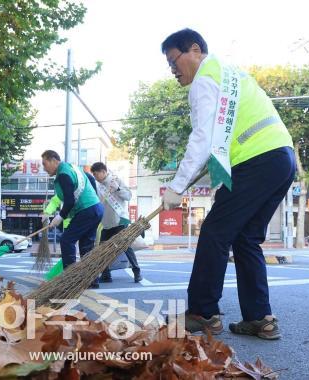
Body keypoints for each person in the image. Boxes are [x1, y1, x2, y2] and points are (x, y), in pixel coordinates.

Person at [160, 29, 296, 340]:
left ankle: (203, 313)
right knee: (246, 238)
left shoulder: (205, 79)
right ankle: (260, 318)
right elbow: (219, 142)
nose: (173, 70)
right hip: (280, 157)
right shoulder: (230, 73)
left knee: (214, 232)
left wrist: (176, 187)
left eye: (173, 61)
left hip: (256, 160)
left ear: (194, 49)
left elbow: (202, 139)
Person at [40, 150, 104, 288]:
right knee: (86, 246)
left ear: (53, 160)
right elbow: (90, 179)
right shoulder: (71, 167)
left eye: (44, 164)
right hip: (96, 208)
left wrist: (60, 216)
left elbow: (69, 201)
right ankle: (92, 280)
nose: (44, 168)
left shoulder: (63, 174)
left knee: (66, 240)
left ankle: (70, 280)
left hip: (86, 210)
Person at [90, 162, 142, 283]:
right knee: (102, 249)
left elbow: (128, 196)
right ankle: (106, 274)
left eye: (96, 174)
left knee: (126, 246)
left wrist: (118, 189)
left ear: (103, 171)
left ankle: (137, 271)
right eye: (94, 174)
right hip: (106, 223)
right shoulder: (99, 186)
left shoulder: (116, 180)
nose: (95, 177)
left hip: (119, 221)